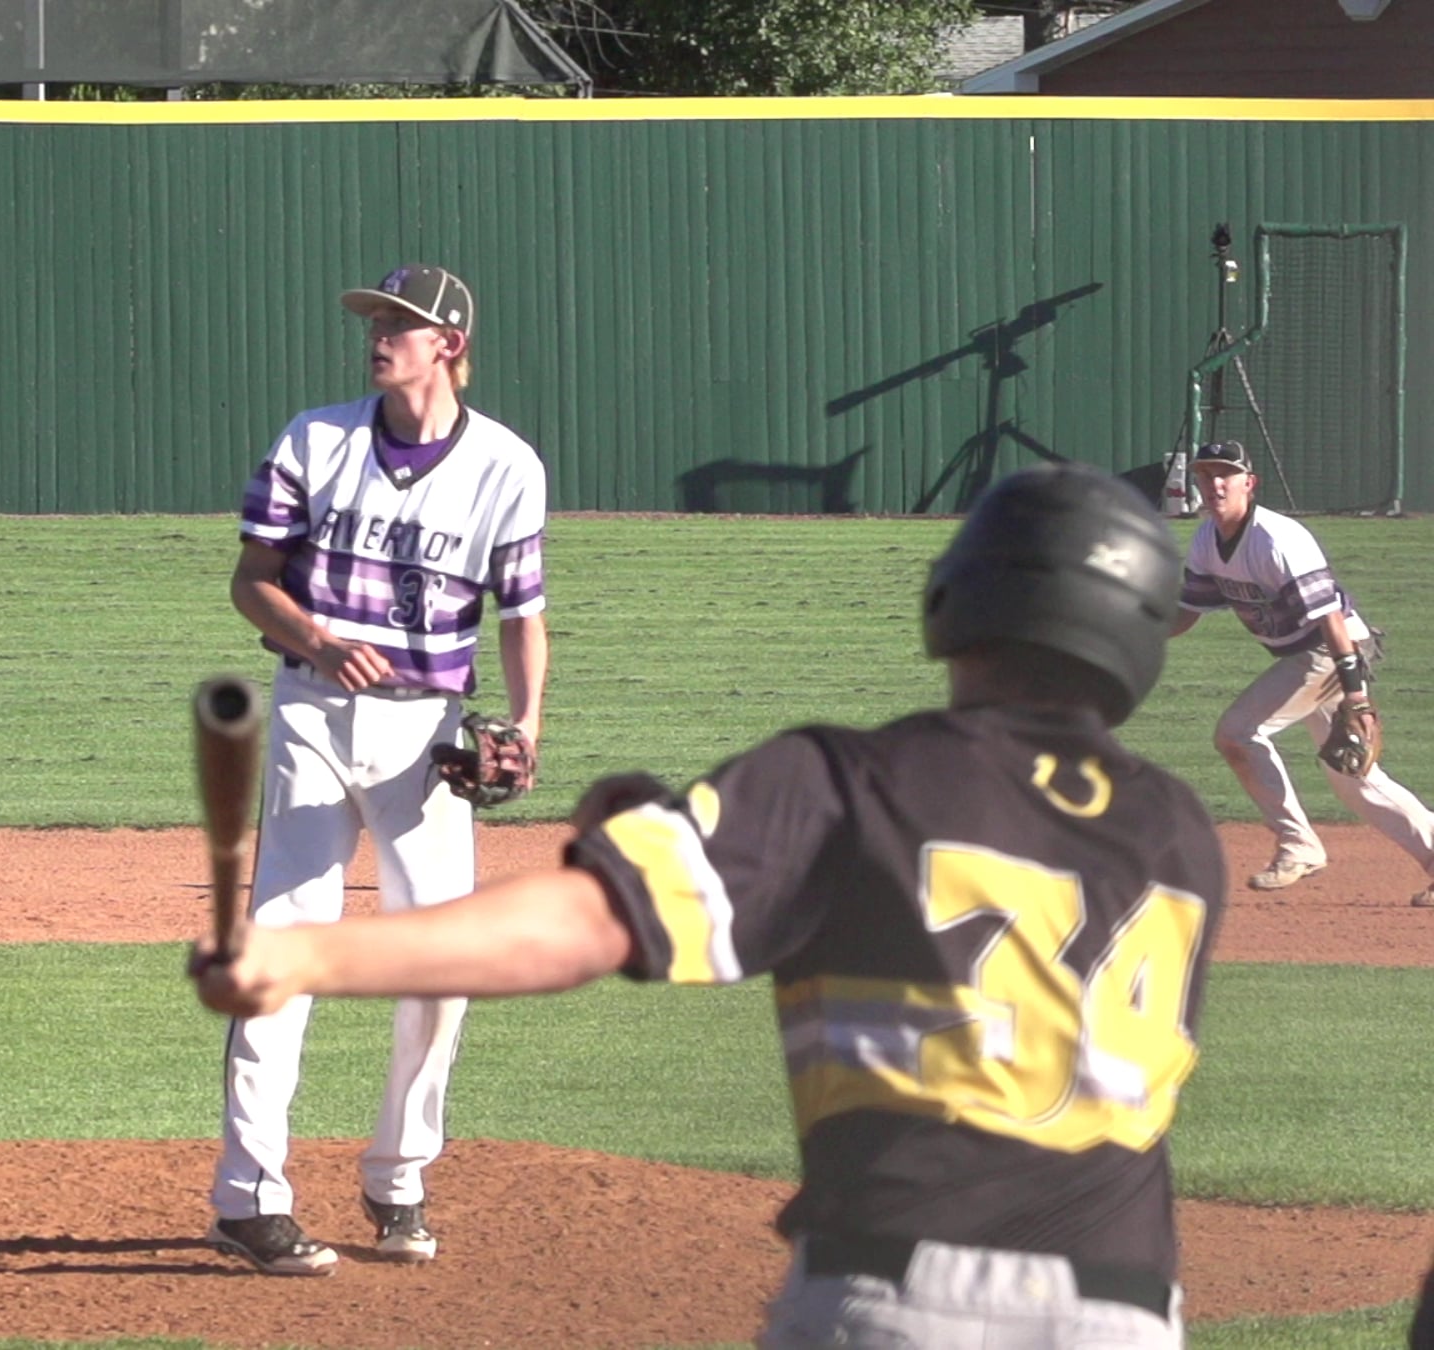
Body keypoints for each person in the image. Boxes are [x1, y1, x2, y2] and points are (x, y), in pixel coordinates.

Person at [195, 463, 1224, 1347]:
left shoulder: (851, 782)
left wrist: (305, 957)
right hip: (1133, 1314)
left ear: (960, 591)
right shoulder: (1181, 839)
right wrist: (662, 831)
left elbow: (585, 925)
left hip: (906, 1300)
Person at [206, 263, 550, 1277]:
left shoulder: (507, 466)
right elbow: (251, 582)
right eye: (375, 320)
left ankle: (399, 1177)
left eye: (399, 323)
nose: (378, 335)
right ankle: (248, 1199)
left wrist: (527, 725)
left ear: (448, 344)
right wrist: (316, 641)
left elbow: (523, 614)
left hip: (426, 739)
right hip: (312, 713)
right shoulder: (315, 440)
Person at [1170, 439, 1434, 904]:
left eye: (1226, 474)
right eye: (1206, 474)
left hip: (1333, 649)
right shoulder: (1206, 539)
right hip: (1308, 654)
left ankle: (1299, 844)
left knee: (1238, 732)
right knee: (1356, 781)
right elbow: (1187, 613)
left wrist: (1357, 695)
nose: (1215, 483)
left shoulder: (1276, 539)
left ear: (1249, 483)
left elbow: (1331, 619)